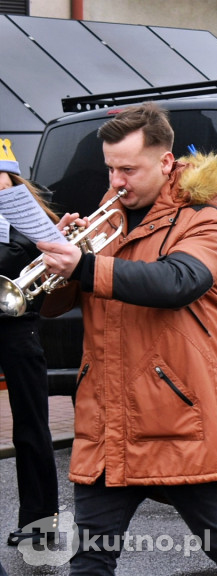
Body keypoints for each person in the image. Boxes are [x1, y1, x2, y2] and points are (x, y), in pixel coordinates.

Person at [36, 102, 217, 575]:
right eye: (111, 169)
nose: (117, 181)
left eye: (129, 169)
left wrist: (83, 266)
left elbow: (177, 282)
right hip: (106, 420)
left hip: (176, 417)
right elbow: (54, 305)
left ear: (165, 163)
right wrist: (59, 261)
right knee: (90, 560)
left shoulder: (206, 218)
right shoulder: (110, 215)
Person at [0, 139, 59, 547]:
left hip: (18, 326)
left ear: (11, 179)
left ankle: (41, 519)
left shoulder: (29, 220)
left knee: (31, 425)